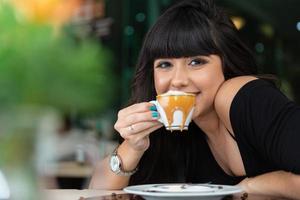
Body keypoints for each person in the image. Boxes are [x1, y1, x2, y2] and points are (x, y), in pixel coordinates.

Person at [89, 0, 300, 198]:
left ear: (226, 65)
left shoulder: (240, 95)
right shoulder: (174, 131)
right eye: (165, 64)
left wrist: (249, 187)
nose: (178, 80)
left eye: (196, 62)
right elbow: (96, 192)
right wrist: (132, 146)